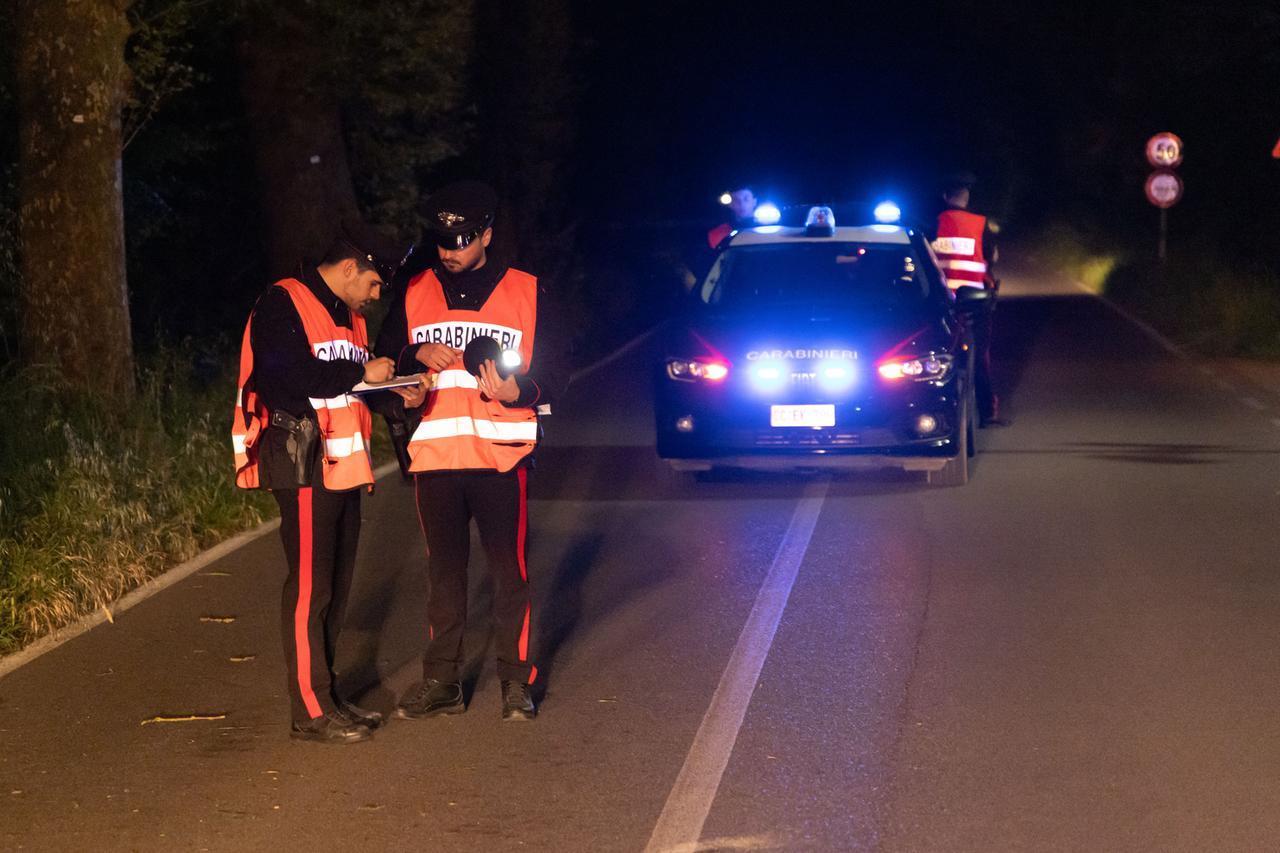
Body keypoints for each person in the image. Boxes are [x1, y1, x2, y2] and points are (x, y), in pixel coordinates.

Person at [374, 180, 570, 722]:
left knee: (510, 572)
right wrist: (412, 352)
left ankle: (515, 682)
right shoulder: (414, 291)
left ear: (486, 234)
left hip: (502, 457)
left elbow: (557, 375)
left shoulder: (527, 290)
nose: (448, 251)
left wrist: (519, 392)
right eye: (440, 241)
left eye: (460, 241)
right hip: (436, 457)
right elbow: (384, 362)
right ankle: (442, 682)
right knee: (444, 574)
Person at [232, 222, 421, 743]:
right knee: (310, 587)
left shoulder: (350, 318)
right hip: (303, 461)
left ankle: (327, 693)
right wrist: (364, 379)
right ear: (348, 268)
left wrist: (394, 392)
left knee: (334, 588)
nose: (377, 295)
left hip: (342, 464)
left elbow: (353, 390)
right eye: (375, 283)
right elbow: (285, 380)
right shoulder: (282, 302)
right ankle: (309, 710)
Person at [932, 173, 1005, 427]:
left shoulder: (931, 224)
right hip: (975, 302)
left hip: (940, 304)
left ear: (944, 197)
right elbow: (991, 257)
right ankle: (987, 412)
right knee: (980, 356)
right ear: (967, 197)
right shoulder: (980, 223)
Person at [706, 185, 758, 249]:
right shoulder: (718, 233)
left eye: (746, 199)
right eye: (736, 200)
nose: (741, 204)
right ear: (730, 205)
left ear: (754, 202)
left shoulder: (767, 228)